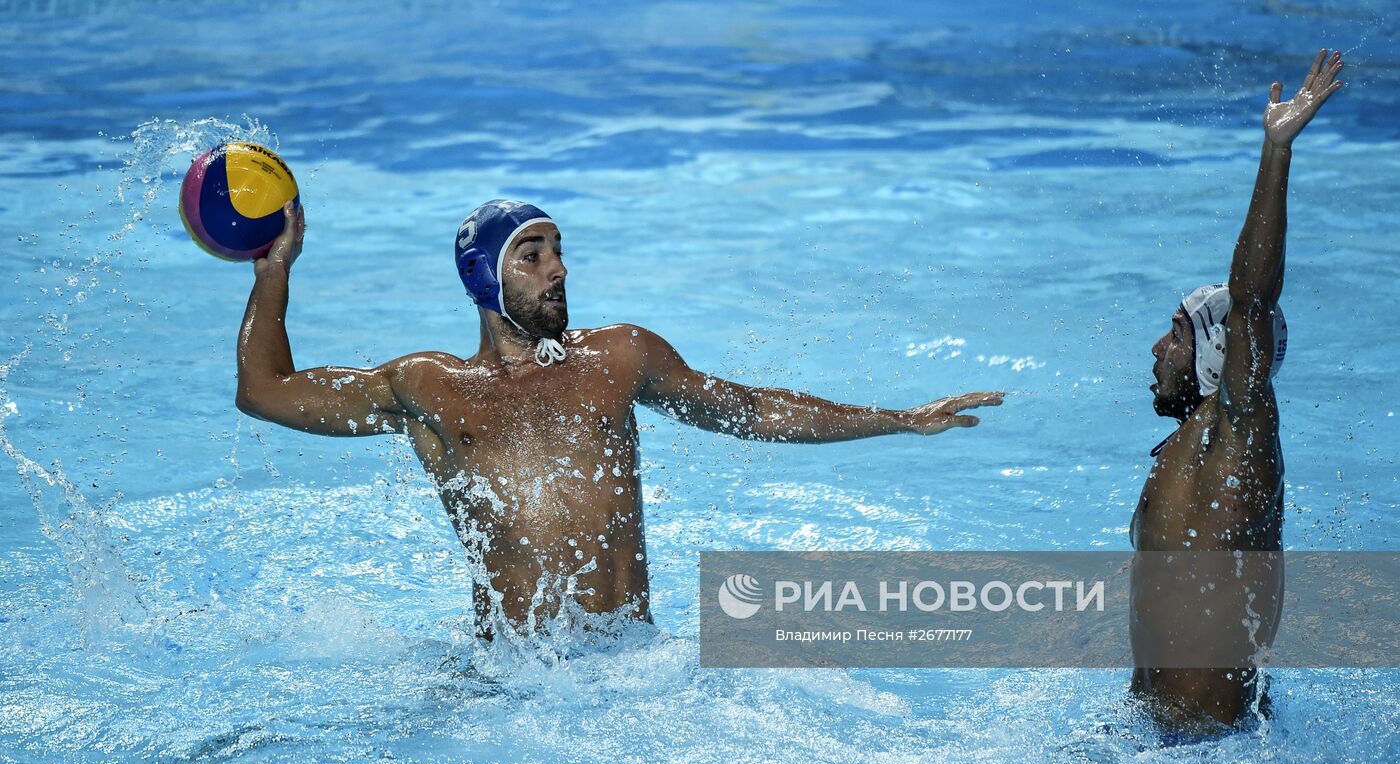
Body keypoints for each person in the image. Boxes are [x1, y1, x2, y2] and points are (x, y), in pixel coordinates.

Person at [234, 199, 1004, 635]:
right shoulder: (428, 388)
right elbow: (265, 391)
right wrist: (275, 271)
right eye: (531, 254)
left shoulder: (616, 359)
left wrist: (898, 419)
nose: (558, 268)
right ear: (482, 275)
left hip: (633, 669)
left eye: (559, 250)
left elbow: (752, 408)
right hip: (515, 686)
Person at [1129, 49, 1344, 730]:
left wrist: (1275, 151)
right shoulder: (1185, 449)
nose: (1159, 350)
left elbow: (1251, 300)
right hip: (1152, 736)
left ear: (1221, 357)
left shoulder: (1240, 435)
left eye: (1177, 334)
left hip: (1213, 749)